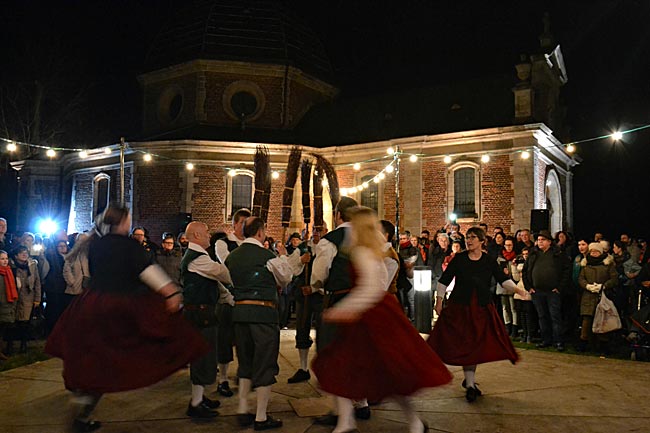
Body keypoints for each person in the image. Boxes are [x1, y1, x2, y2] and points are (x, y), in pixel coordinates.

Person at [45, 204, 207, 433]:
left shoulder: (95, 244)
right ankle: (84, 407)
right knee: (128, 351)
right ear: (123, 222)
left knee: (95, 356)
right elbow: (147, 271)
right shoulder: (128, 246)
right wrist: (169, 291)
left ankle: (84, 407)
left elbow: (96, 272)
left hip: (90, 304)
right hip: (119, 305)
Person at [312, 207, 452, 433]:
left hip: (369, 318)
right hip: (379, 314)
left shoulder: (363, 253)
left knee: (355, 367)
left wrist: (340, 311)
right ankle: (349, 421)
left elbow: (368, 290)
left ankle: (350, 422)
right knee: (361, 369)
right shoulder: (376, 251)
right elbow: (380, 285)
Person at [225, 216, 306, 430]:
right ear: (261, 233)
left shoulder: (232, 257)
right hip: (263, 314)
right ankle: (261, 417)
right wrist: (283, 257)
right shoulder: (267, 256)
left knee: (245, 362)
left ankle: (242, 409)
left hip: (240, 313)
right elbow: (287, 277)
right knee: (265, 364)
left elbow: (229, 281)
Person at [428, 226, 521, 402]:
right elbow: (444, 280)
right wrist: (439, 300)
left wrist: (519, 290)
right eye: (467, 237)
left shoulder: (488, 261)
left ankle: (470, 382)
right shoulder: (459, 259)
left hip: (481, 307)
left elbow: (503, 279)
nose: (468, 240)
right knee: (466, 344)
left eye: (472, 237)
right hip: (460, 307)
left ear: (481, 241)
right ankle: (470, 384)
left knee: (476, 346)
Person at [310, 196, 372, 425]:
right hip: (364, 301)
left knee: (334, 354)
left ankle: (340, 413)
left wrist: (318, 287)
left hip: (339, 301)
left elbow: (319, 275)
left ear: (337, 215)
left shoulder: (330, 241)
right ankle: (362, 403)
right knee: (359, 352)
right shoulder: (367, 237)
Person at [181, 221, 234, 418]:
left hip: (203, 313)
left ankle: (200, 397)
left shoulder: (200, 256)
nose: (209, 236)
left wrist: (229, 298)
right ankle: (195, 404)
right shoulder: (197, 259)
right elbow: (223, 274)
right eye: (205, 233)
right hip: (200, 315)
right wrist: (237, 265)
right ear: (195, 236)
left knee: (205, 356)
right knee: (201, 358)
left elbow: (217, 284)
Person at [213, 208, 252, 397]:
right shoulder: (223, 243)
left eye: (248, 224)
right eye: (242, 223)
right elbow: (229, 266)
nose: (245, 227)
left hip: (247, 299)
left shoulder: (252, 244)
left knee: (245, 339)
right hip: (228, 297)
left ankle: (243, 375)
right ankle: (223, 379)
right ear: (234, 224)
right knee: (225, 340)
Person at [523, 230, 571, 351]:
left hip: (552, 291)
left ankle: (558, 341)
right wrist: (528, 286)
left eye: (543, 240)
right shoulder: (533, 254)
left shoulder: (558, 254)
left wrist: (560, 287)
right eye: (538, 240)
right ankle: (546, 339)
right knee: (542, 316)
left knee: (555, 316)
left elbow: (566, 271)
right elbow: (525, 271)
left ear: (549, 242)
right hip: (537, 291)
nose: (540, 242)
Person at [287, 226, 324, 384]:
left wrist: (316, 287)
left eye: (320, 229)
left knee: (324, 331)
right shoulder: (302, 247)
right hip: (303, 295)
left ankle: (324, 369)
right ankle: (303, 368)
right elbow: (291, 268)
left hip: (321, 295)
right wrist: (301, 261)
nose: (316, 232)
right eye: (314, 229)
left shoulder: (327, 247)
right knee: (302, 328)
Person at [576, 242, 618, 353]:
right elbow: (580, 279)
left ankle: (603, 345)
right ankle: (584, 343)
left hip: (603, 296)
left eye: (596, 251)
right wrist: (587, 286)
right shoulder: (585, 265)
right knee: (586, 321)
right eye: (592, 251)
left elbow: (614, 279)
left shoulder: (608, 264)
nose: (593, 253)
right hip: (588, 296)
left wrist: (603, 286)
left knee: (602, 320)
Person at [8, 245, 41, 354]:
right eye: (21, 253)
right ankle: (10, 346)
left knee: (25, 322)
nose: (24, 255)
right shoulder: (12, 266)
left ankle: (23, 345)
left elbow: (37, 282)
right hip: (14, 297)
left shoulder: (32, 266)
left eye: (26, 253)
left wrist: (37, 298)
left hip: (28, 296)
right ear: (16, 255)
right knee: (12, 322)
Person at [43, 239, 68, 334]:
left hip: (65, 288)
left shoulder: (70, 257)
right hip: (54, 287)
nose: (62, 248)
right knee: (53, 309)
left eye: (64, 246)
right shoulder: (52, 257)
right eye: (60, 246)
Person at [0, 250, 18, 359]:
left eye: (6, 259)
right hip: (2, 304)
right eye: (2, 259)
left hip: (7, 305)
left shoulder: (8, 272)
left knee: (3, 330)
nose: (5, 261)